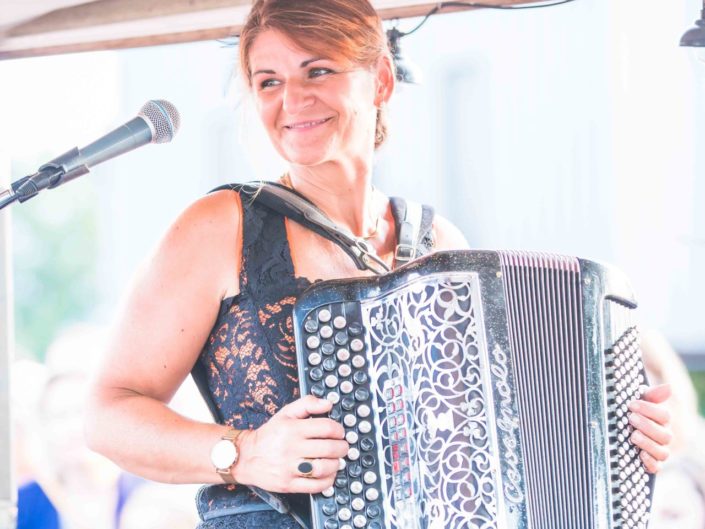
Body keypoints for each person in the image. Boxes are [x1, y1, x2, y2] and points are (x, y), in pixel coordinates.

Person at [85, 1, 673, 527]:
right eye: (268, 82)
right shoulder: (221, 225)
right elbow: (108, 415)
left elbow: (501, 443)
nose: (292, 100)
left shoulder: (439, 244)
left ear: (381, 79)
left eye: (318, 70)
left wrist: (614, 440)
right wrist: (244, 452)